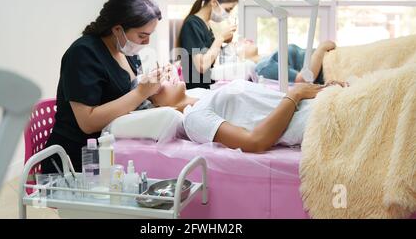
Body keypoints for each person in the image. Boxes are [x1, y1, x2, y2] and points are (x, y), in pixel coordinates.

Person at [42, 0, 170, 173]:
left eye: (150, 36)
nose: (146, 42)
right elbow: (88, 122)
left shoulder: (127, 52)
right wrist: (142, 92)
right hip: (77, 161)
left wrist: (153, 90)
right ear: (118, 29)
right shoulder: (83, 53)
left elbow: (128, 99)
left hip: (113, 148)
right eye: (142, 35)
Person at [149, 78, 347, 153]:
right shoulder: (194, 119)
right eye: (157, 85)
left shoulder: (202, 95)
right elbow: (255, 142)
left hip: (322, 105)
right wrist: (296, 94)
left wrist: (321, 89)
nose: (164, 76)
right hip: (319, 121)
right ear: (156, 106)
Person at [177, 0, 238, 89]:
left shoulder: (207, 25)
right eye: (227, 9)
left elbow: (210, 60)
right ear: (214, 2)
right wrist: (220, 39)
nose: (228, 14)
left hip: (206, 87)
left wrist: (223, 42)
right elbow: (201, 66)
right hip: (196, 90)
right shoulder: (192, 24)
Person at [236, 39, 337, 84]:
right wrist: (321, 49)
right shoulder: (264, 67)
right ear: (239, 59)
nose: (245, 40)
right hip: (330, 66)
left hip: (330, 59)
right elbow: (305, 79)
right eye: (238, 43)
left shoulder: (266, 59)